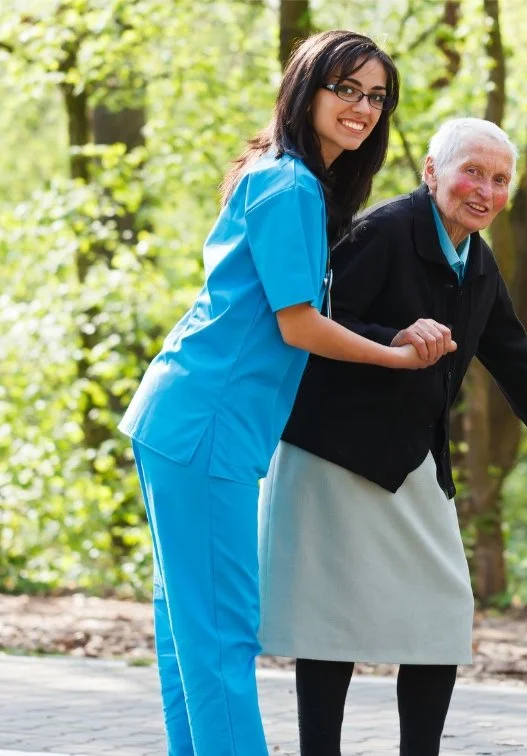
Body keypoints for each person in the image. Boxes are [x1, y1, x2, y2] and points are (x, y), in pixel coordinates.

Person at [257, 117, 527, 756]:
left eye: (500, 179)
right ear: (432, 172)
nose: (486, 191)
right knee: (329, 627)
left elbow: (519, 367)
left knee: (441, 617)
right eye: (473, 170)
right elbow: (316, 320)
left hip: (411, 457)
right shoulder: (383, 232)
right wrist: (394, 336)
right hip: (333, 452)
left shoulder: (477, 261)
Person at [118, 31, 430, 756]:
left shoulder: (282, 177)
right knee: (222, 628)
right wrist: (392, 356)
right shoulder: (289, 184)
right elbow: (299, 326)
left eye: (376, 97)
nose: (362, 108)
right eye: (346, 89)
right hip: (207, 424)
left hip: (188, 418)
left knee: (189, 628)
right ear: (307, 87)